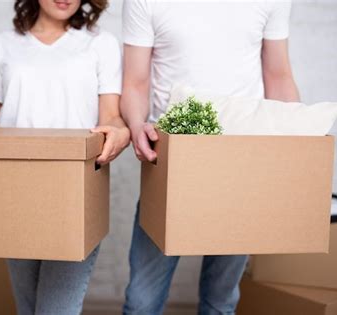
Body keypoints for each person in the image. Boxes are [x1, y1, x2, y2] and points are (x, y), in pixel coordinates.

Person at [0, 0, 129, 314]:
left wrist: (120, 131)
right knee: (28, 308)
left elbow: (111, 117)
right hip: (15, 191)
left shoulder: (101, 44)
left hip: (75, 191)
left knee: (55, 310)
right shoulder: (2, 46)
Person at [120, 0, 299, 314]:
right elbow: (135, 82)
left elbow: (278, 76)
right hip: (173, 162)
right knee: (141, 302)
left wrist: (294, 148)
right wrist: (136, 125)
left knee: (220, 302)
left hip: (242, 161)